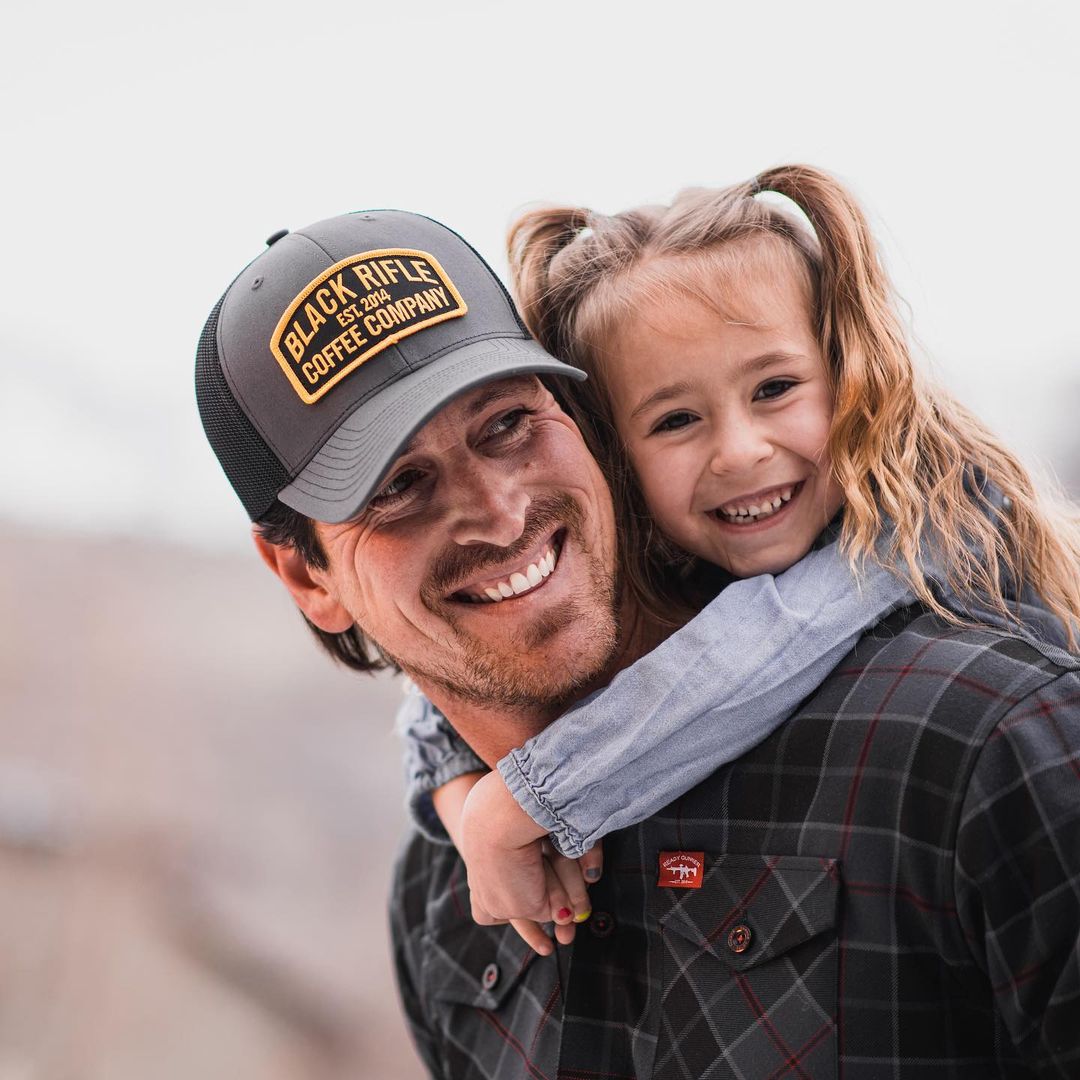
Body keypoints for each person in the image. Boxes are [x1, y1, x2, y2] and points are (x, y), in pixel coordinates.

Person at [195, 190, 1080, 1077]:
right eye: (397, 487)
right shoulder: (444, 893)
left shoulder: (978, 740)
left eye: (507, 424)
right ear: (306, 576)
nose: (500, 512)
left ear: (581, 424)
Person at [398, 165, 1080, 953]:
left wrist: (528, 800)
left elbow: (762, 645)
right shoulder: (682, 570)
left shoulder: (922, 530)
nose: (740, 451)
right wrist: (459, 799)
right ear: (607, 452)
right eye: (676, 420)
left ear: (849, 370)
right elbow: (437, 686)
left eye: (775, 388)